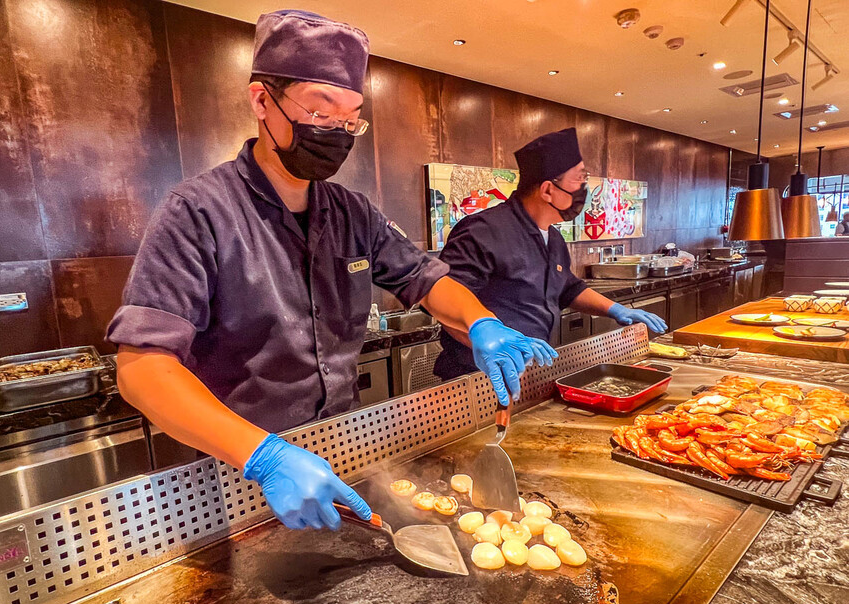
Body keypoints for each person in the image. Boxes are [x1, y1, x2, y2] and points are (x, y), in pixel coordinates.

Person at [107, 10, 556, 533]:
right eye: (320, 112)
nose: (337, 133)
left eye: (349, 120)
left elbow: (427, 278)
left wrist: (481, 323)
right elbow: (142, 368)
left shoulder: (351, 212)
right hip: (239, 470)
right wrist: (263, 456)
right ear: (262, 101)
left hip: (340, 453)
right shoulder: (197, 212)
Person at [434, 127, 667, 381]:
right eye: (579, 178)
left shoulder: (553, 238)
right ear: (547, 190)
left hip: (530, 374)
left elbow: (567, 288)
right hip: (478, 376)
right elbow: (443, 301)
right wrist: (493, 345)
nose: (585, 187)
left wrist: (614, 309)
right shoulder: (482, 231)